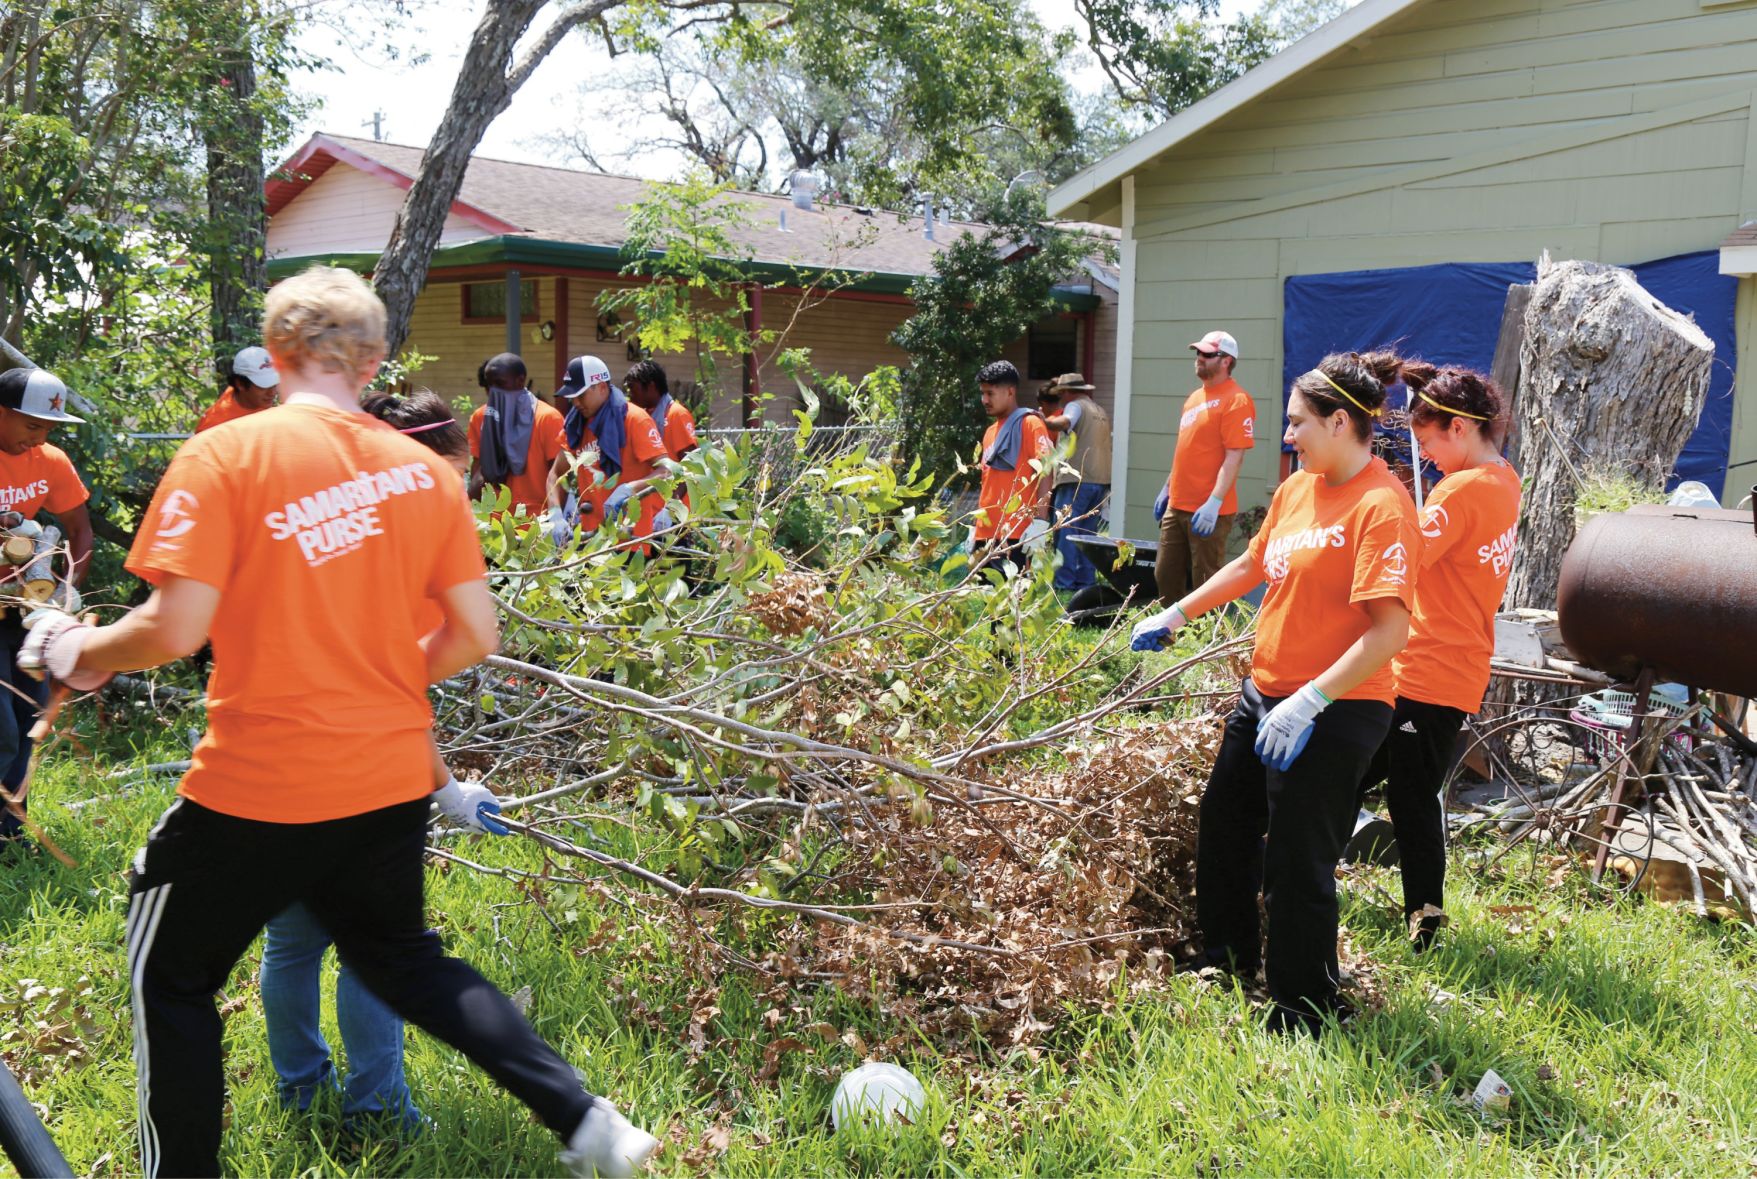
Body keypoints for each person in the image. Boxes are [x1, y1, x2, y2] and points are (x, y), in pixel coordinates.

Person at [17, 267, 656, 1177]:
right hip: (390, 777)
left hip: (260, 784)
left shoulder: (227, 452)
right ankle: (582, 1114)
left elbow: (174, 629)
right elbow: (476, 632)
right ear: (373, 360)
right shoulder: (421, 473)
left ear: (275, 355)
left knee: (174, 974)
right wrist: (378, 674)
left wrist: (80, 651)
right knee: (406, 959)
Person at [1131, 352, 1419, 1035]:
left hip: (1339, 707)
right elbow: (1251, 561)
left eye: (1297, 423)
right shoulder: (1298, 488)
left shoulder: (1382, 506)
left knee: (1297, 859)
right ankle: (1224, 958)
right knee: (1224, 827)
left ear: (1339, 420)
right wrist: (1178, 613)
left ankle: (1304, 1006)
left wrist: (1311, 699)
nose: (1287, 435)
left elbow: (1390, 631)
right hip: (1265, 694)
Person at [256, 390, 488, 1137]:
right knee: (370, 949)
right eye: (449, 481)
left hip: (274, 762)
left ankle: (299, 1090)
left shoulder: (312, 526)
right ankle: (377, 1108)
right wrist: (449, 790)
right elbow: (394, 703)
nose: (458, 503)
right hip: (359, 780)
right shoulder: (400, 563)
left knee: (292, 942)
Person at [1356, 365, 1519, 950]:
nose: (1427, 458)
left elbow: (1407, 559)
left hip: (1428, 668)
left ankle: (1425, 927)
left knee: (1407, 797)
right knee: (1354, 776)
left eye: (1428, 444)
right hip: (1447, 663)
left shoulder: (1462, 490)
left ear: (1459, 426)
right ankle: (1302, 881)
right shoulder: (1504, 480)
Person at [0, 368, 92, 850]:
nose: (40, 437)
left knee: (27, 719)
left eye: (48, 429)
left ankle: (11, 836)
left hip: (25, 615)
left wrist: (63, 599)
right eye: (31, 426)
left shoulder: (48, 461)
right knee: (2, 728)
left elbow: (80, 531)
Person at [1154, 330, 1255, 604]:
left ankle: (1210, 639)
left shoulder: (1237, 400)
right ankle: (1170, 637)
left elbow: (1235, 456)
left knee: (1206, 582)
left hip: (1209, 510)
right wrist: (1167, 487)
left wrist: (1214, 502)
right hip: (1178, 505)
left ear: (1226, 361)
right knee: (1165, 575)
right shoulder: (1194, 398)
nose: (1199, 358)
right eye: (1198, 352)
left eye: (1207, 354)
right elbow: (1186, 450)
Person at [543, 355, 674, 547]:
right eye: (572, 398)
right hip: (591, 540)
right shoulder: (575, 424)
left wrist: (629, 489)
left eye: (581, 395)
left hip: (630, 540)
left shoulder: (635, 420)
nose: (576, 403)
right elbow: (554, 474)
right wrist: (555, 514)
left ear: (602, 387)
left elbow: (668, 471)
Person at [972, 360, 1052, 569]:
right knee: (984, 599)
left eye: (990, 393)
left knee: (1014, 599)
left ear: (1010, 392)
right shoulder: (990, 432)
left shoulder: (1030, 423)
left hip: (1017, 533)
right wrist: (976, 527)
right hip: (986, 534)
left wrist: (1040, 523)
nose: (984, 400)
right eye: (982, 393)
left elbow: (1046, 469)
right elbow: (988, 484)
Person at [468, 353, 565, 519]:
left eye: (499, 384)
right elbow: (477, 472)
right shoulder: (480, 417)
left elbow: (560, 476)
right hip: (495, 524)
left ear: (520, 381)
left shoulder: (547, 418)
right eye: (489, 386)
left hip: (537, 523)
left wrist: (555, 518)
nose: (493, 392)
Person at [1039, 372, 1112, 593]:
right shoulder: (1099, 410)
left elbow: (1064, 421)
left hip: (1077, 479)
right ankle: (1086, 583)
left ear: (1066, 392)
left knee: (1067, 532)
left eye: (1061, 393)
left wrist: (1045, 421)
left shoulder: (1075, 406)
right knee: (1087, 536)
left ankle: (1064, 584)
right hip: (1100, 480)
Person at [624, 360, 698, 463]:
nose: (630, 395)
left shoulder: (676, 414)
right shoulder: (643, 415)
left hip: (669, 478)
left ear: (651, 386)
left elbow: (691, 462)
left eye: (633, 389)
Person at [198, 345, 280, 432]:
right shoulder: (214, 426)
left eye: (274, 384)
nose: (272, 393)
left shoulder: (262, 402)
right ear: (240, 384)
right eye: (264, 386)